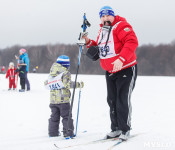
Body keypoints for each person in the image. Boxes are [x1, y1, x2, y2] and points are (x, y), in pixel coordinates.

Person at [83, 6, 138, 140]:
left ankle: (125, 129)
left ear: (113, 16)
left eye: (108, 16)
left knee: (122, 99)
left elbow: (132, 42)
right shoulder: (102, 29)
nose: (105, 18)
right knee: (112, 100)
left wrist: (121, 59)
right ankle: (116, 128)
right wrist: (88, 42)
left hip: (125, 68)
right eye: (102, 16)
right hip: (110, 70)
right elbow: (101, 47)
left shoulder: (121, 26)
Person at [44, 55, 84, 138]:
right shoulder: (65, 73)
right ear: (66, 65)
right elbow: (68, 84)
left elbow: (46, 83)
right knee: (66, 116)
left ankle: (52, 133)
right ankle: (68, 133)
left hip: (53, 100)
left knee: (54, 117)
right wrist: (78, 84)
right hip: (63, 100)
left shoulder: (52, 71)